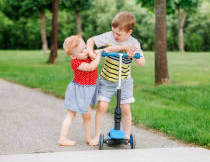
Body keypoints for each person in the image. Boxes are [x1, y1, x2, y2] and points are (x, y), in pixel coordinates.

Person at [87, 11, 146, 145]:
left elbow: (142, 62)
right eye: (113, 32)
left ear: (129, 32)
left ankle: (126, 135)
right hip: (107, 79)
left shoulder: (134, 43)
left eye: (118, 34)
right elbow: (91, 40)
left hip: (124, 81)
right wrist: (91, 50)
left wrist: (135, 56)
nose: (115, 35)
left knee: (125, 108)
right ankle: (97, 135)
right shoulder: (109, 37)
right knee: (102, 106)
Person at [58, 35, 102, 146]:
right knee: (71, 114)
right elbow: (91, 67)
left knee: (87, 115)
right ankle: (63, 138)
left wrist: (95, 51)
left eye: (86, 48)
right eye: (82, 51)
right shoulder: (76, 63)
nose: (86, 51)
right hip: (78, 91)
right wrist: (98, 57)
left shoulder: (87, 55)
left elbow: (98, 50)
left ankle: (88, 139)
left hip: (89, 90)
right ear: (73, 56)